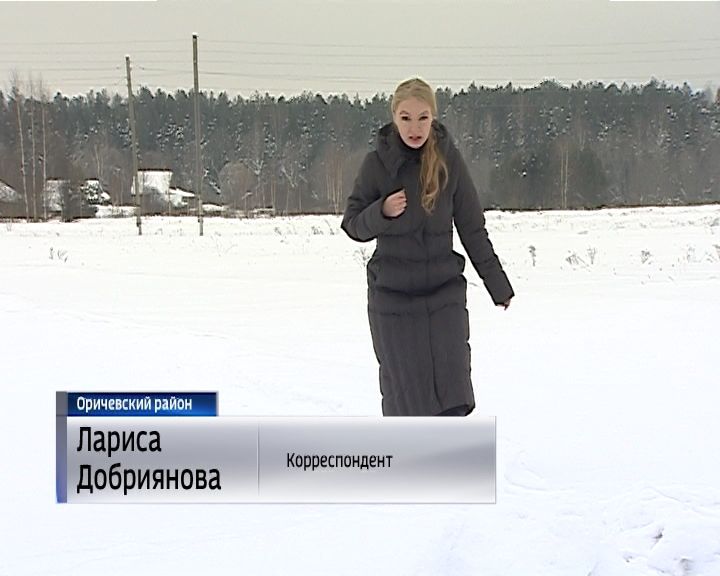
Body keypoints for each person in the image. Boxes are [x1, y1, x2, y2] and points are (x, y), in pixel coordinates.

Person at [341, 77, 514, 417]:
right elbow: (353, 224)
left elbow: (472, 228)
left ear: (433, 117)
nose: (414, 127)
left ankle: (449, 453)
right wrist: (381, 211)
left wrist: (498, 285)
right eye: (405, 118)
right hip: (393, 301)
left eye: (423, 118)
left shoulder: (449, 162)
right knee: (407, 407)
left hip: (443, 298)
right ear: (394, 117)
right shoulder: (376, 165)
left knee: (452, 399)